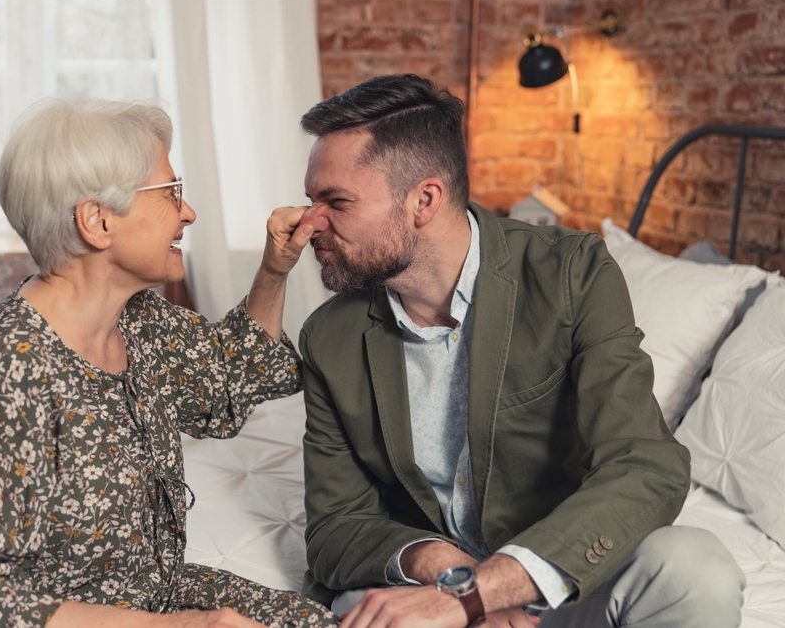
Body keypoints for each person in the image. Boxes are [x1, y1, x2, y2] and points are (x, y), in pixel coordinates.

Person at [296, 75, 745, 628]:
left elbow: (645, 467)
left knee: (697, 570)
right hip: (428, 598)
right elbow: (335, 526)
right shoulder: (328, 336)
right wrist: (447, 573)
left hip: (559, 580)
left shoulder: (573, 274)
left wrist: (485, 591)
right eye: (311, 200)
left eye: (335, 201)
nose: (309, 222)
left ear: (424, 200)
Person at [0, 97, 337, 628]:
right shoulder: (4, 368)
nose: (187, 212)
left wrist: (274, 268)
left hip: (155, 594)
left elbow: (232, 377)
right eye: (171, 192)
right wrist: (177, 626)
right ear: (97, 221)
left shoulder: (139, 321)